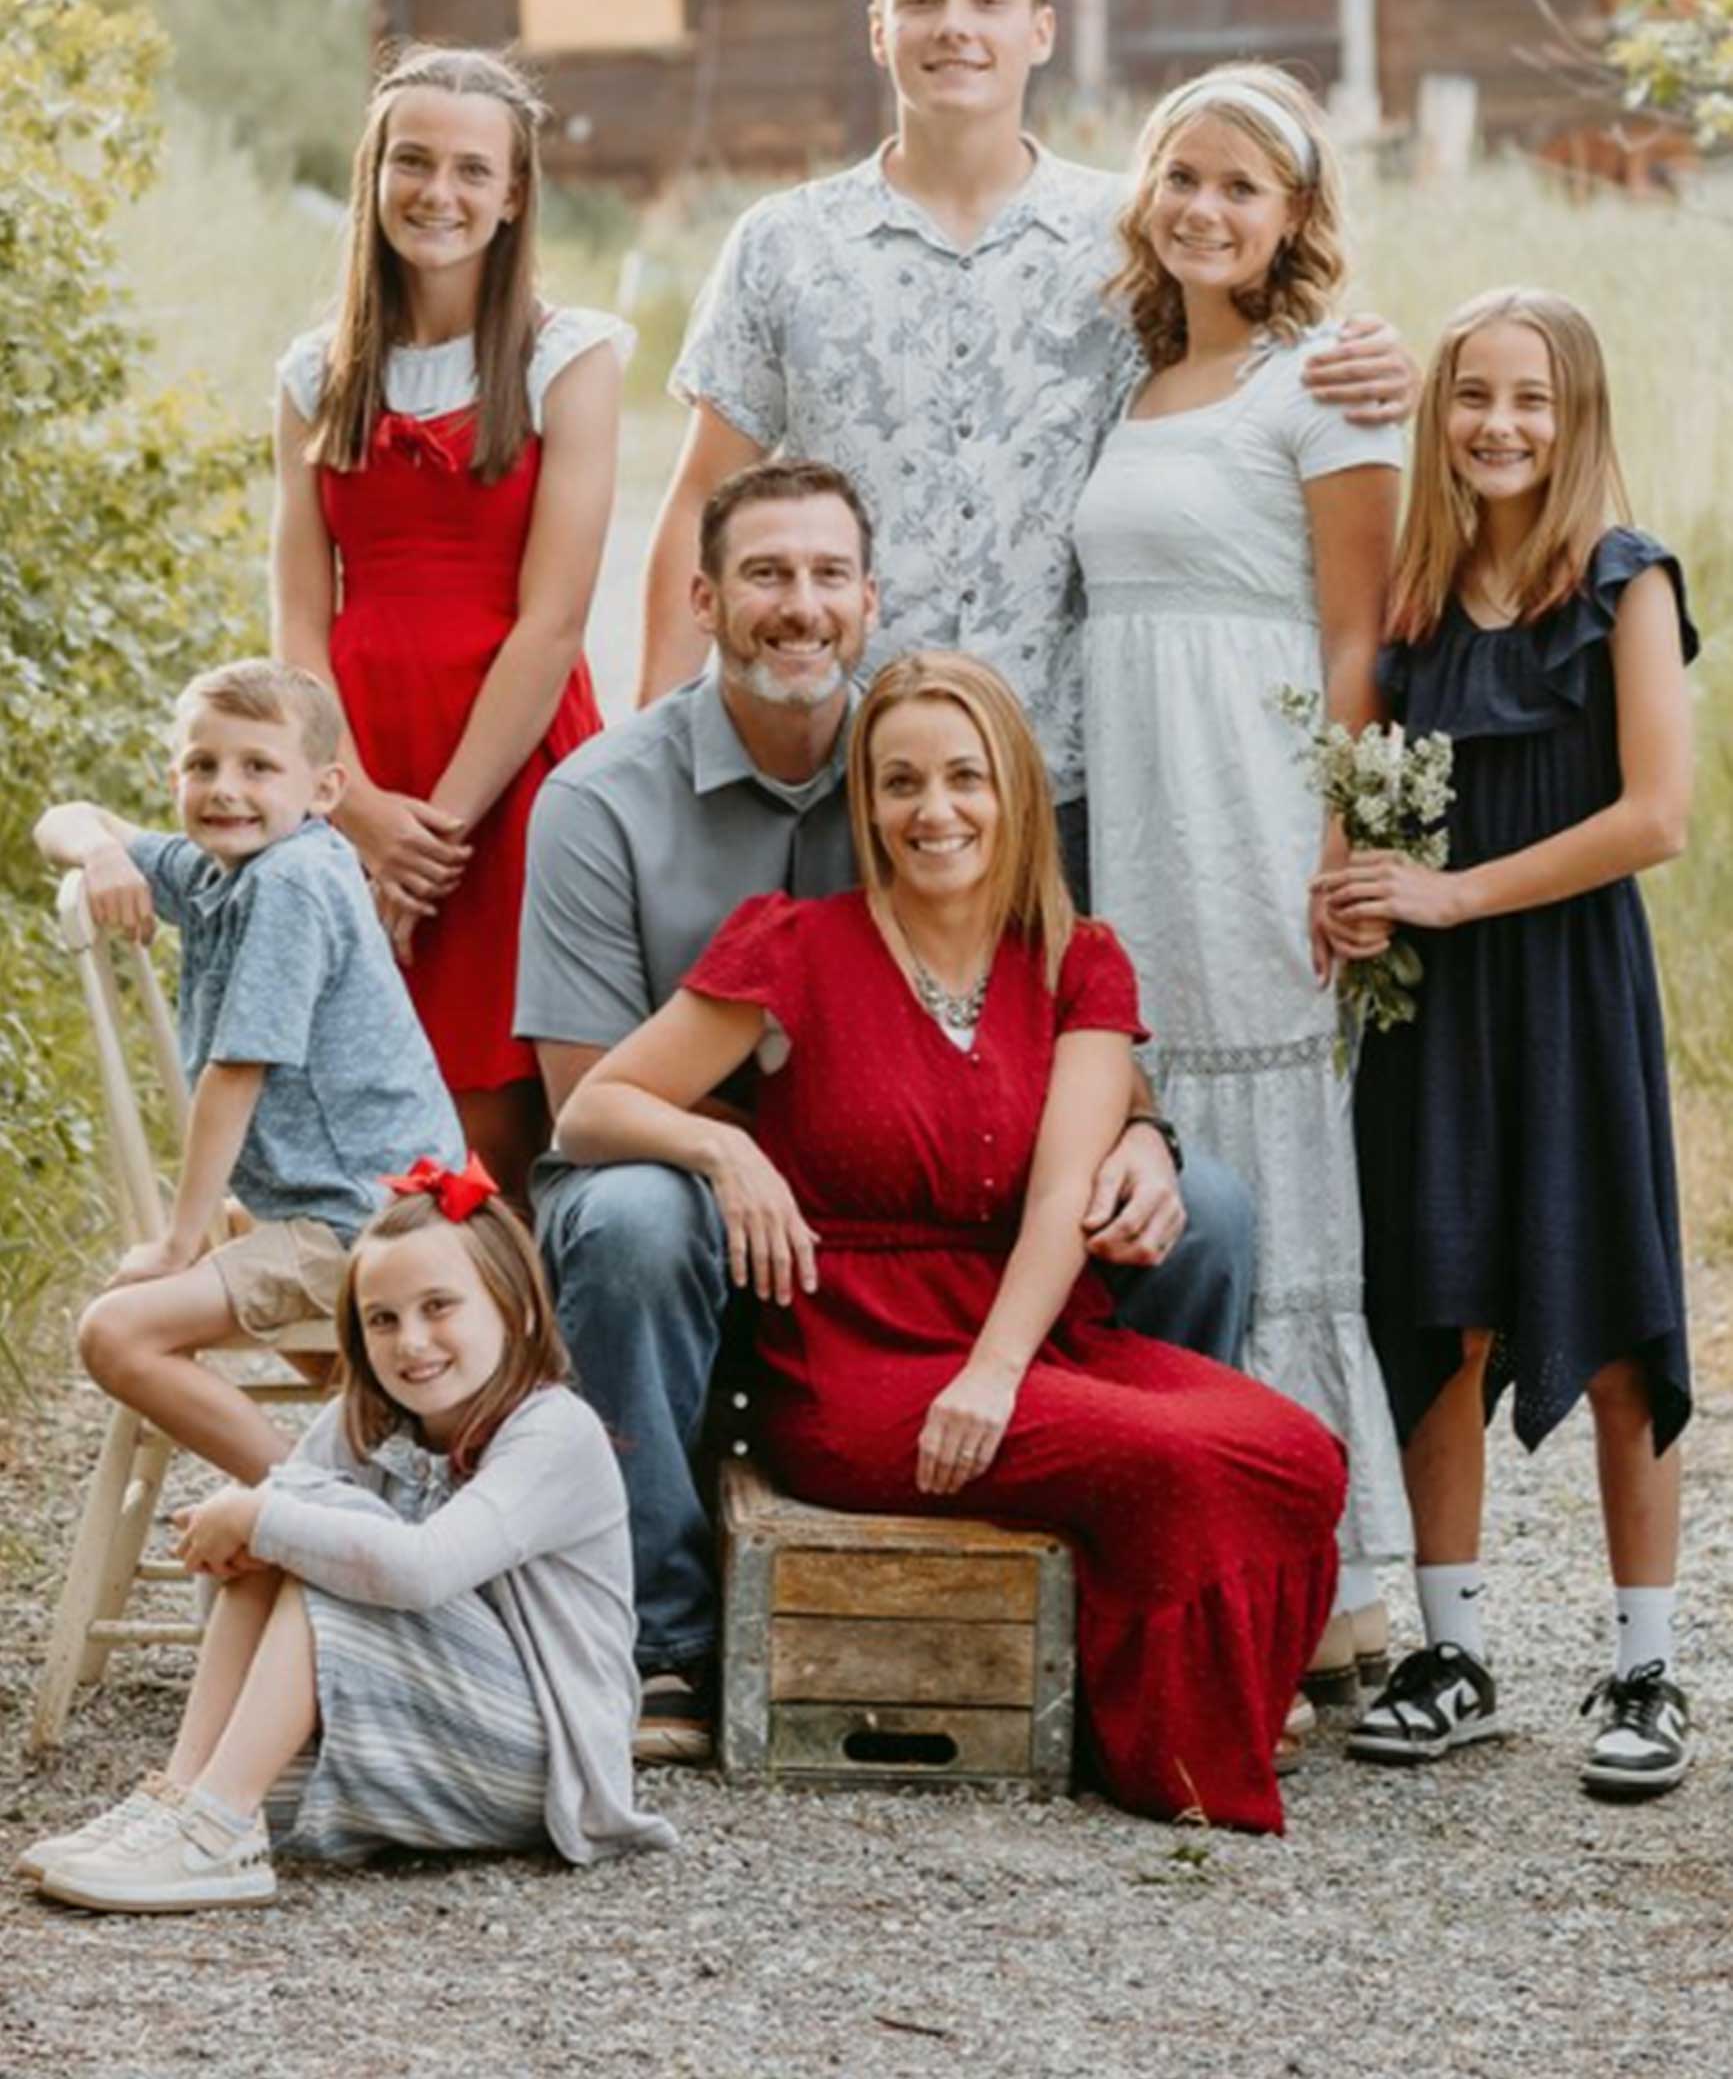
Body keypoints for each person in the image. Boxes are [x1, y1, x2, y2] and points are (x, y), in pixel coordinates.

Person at [518, 460, 1258, 1716]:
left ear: (869, 600)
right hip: (710, 1198)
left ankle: (1140, 1607)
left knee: (1210, 1210)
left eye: (823, 576)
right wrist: (732, 1156)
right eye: (763, 575)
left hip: (935, 1200)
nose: (796, 606)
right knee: (636, 1221)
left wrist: (1141, 1129)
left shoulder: (937, 748)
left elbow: (1047, 993)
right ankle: (663, 1642)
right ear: (701, 598)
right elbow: (587, 1096)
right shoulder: (601, 802)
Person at [560, 650, 1345, 1832]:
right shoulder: (792, 947)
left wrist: (994, 1373)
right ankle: (1175, 1747)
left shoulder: (1077, 961)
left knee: (1295, 1452)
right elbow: (592, 1108)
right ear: (864, 807)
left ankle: (1175, 1678)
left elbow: (1057, 1198)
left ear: (1014, 792)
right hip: (854, 1369)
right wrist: (729, 1150)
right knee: (1174, 1461)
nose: (933, 811)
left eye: (964, 778)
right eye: (898, 783)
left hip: (1025, 1346)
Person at [640, 0, 1415, 918]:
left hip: (1081, 780)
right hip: (849, 776)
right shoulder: (783, 245)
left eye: (986, 0)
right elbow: (703, 493)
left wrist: (1378, 356)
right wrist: (654, 752)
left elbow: (1253, 360)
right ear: (878, 31)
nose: (953, 24)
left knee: (1083, 1068)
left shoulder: (1130, 237)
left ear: (1037, 31)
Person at [1316, 290, 1697, 1796]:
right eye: (1472, 395)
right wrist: (1355, 891)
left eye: (1531, 400)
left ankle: (1647, 1666)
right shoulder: (1411, 604)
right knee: (1440, 1308)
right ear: (1438, 412)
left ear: (1577, 414)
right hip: (1435, 1003)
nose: (1499, 425)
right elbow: (1353, 767)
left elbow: (1655, 818)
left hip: (1564, 980)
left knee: (1609, 1322)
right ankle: (1453, 1648)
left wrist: (1455, 890)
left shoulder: (1622, 581)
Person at [1073, 65, 1412, 1693]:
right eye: (1180, 178)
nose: (1201, 209)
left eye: (1238, 188)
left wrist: (1343, 833)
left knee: (1279, 1161)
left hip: (1258, 795)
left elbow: (1356, 630)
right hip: (1136, 798)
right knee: (1160, 1130)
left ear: (1289, 220)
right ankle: (1185, 1543)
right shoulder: (1131, 382)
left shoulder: (1322, 385)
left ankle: (1340, 1587)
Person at [20, 1165, 677, 1911]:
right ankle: (186, 1798)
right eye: (383, 1320)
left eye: (439, 1307)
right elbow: (278, 1536)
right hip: (428, 1735)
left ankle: (217, 1830)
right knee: (294, 1512)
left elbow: (424, 1571)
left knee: (311, 1530)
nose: (413, 1342)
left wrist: (261, 1519)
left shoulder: (554, 1431)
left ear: (517, 1311)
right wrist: (255, 1524)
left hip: (540, 1761)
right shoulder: (363, 1420)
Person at [271, 41, 629, 1205]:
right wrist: (355, 802)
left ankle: (524, 1365)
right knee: (372, 1097)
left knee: (503, 1114)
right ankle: (392, 1358)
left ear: (514, 191)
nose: (441, 193)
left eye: (473, 170)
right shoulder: (316, 376)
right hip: (357, 753)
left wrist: (431, 837)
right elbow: (297, 608)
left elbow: (554, 618)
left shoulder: (566, 359)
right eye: (413, 162)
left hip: (507, 773)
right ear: (373, 176)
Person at [34, 660, 463, 1482]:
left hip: (361, 1224)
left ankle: (318, 1509)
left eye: (258, 767)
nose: (225, 789)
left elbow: (236, 1074)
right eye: (203, 766)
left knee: (113, 1332)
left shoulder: (292, 882)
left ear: (325, 789)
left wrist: (179, 1241)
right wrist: (101, 852)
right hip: (359, 1206)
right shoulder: (218, 870)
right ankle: (382, 1473)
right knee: (238, 1245)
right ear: (176, 778)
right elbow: (67, 815)